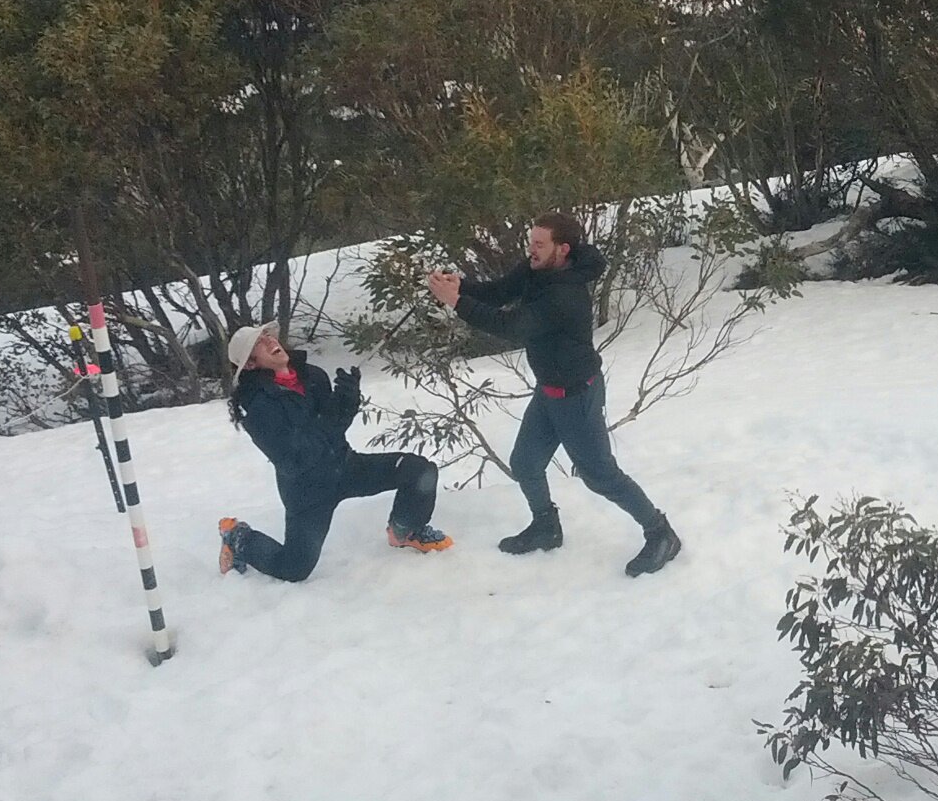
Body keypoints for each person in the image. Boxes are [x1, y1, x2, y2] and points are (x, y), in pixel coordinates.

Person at [427, 211, 681, 577]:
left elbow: (511, 326)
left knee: (600, 476)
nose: (531, 251)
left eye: (539, 245)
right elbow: (499, 292)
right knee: (526, 464)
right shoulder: (538, 270)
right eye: (531, 242)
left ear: (562, 250)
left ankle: (661, 534)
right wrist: (460, 286)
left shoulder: (565, 295)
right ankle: (546, 526)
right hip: (549, 391)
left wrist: (456, 302)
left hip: (577, 395)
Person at [217, 322, 452, 580]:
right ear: (251, 364)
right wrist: (331, 419)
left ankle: (405, 531)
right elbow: (293, 460)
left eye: (267, 335)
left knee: (420, 471)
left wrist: (347, 399)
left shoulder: (312, 376)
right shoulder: (256, 406)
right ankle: (239, 537)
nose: (271, 341)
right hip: (307, 491)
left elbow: (335, 426)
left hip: (346, 467)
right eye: (259, 343)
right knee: (295, 569)